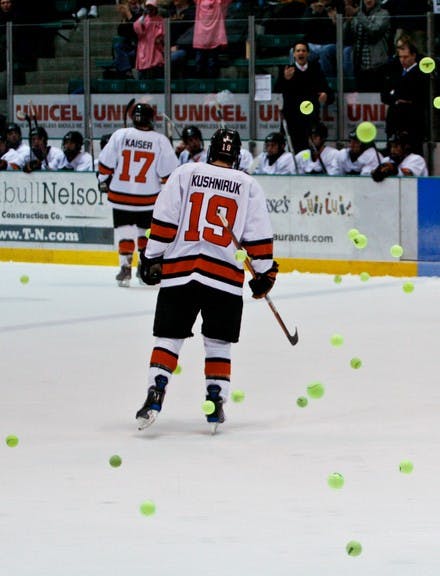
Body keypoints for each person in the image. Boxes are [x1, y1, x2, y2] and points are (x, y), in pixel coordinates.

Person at [135, 127, 278, 431]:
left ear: (211, 151)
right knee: (218, 342)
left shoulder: (186, 172)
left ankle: (155, 390)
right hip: (224, 277)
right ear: (237, 155)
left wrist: (151, 256)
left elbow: (165, 216)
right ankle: (215, 400)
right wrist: (265, 272)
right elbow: (257, 233)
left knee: (169, 338)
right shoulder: (247, 184)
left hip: (179, 273)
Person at [97, 102, 178, 287]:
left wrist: (103, 179)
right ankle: (143, 268)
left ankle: (125, 267)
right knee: (146, 234)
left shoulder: (120, 135)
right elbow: (169, 175)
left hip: (120, 196)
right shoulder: (160, 140)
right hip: (148, 199)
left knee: (124, 232)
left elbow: (105, 164)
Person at [275, 41, 334, 154]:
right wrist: (286, 79)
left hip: (311, 119)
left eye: (303, 50)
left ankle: (309, 169)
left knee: (310, 151)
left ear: (308, 53)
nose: (300, 53)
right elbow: (277, 91)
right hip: (293, 119)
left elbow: (327, 91)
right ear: (294, 54)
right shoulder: (287, 69)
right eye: (298, 51)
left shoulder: (315, 69)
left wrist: (325, 96)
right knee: (297, 151)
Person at [381, 38, 428, 157]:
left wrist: (395, 96)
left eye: (406, 57)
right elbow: (385, 95)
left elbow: (415, 97)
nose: (402, 60)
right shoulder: (394, 71)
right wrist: (396, 98)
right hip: (394, 122)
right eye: (400, 57)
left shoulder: (421, 73)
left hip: (412, 124)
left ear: (413, 55)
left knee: (412, 156)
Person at [343, 0, 390, 92]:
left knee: (377, 98)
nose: (368, 0)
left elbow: (375, 30)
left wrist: (358, 15)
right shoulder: (357, 14)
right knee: (363, 98)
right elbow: (346, 39)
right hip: (360, 65)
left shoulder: (383, 14)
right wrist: (348, 23)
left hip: (377, 66)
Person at [192, 0, 232, 78]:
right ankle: (200, 87)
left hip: (214, 39)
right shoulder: (199, 1)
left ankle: (212, 87)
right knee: (199, 65)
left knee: (212, 65)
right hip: (201, 39)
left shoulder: (219, 2)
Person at [133, 0, 164, 80]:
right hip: (144, 47)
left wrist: (158, 38)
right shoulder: (143, 19)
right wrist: (143, 16)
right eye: (148, 7)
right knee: (143, 71)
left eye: (151, 7)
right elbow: (137, 28)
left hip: (155, 48)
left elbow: (162, 33)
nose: (150, 9)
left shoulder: (160, 20)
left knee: (156, 67)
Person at [113, 0, 143, 79]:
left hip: (140, 46)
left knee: (124, 56)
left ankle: (126, 72)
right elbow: (120, 32)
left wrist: (128, 14)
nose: (131, 5)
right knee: (118, 46)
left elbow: (136, 29)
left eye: (133, 3)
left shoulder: (142, 13)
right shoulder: (129, 15)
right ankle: (126, 71)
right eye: (130, 3)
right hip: (130, 45)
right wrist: (124, 19)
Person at [168, 0, 196, 78]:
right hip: (168, 47)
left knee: (171, 58)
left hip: (185, 49)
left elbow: (190, 35)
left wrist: (178, 46)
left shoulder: (192, 13)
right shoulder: (170, 12)